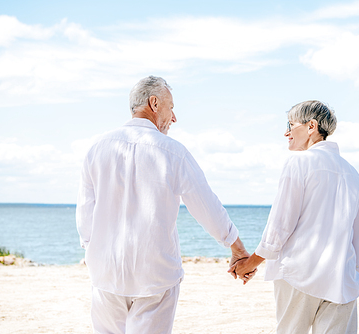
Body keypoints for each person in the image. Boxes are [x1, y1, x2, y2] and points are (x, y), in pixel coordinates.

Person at [76, 75, 249, 334]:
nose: (174, 117)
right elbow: (206, 206)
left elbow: (85, 213)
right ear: (154, 103)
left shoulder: (97, 148)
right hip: (154, 275)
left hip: (106, 274)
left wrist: (94, 253)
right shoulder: (173, 152)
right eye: (172, 108)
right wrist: (236, 247)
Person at [229, 100, 359, 334]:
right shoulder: (352, 173)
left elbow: (281, 224)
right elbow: (357, 233)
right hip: (342, 277)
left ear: (311, 126)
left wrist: (250, 263)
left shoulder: (299, 162)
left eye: (291, 125)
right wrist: (355, 268)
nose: (286, 132)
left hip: (299, 274)